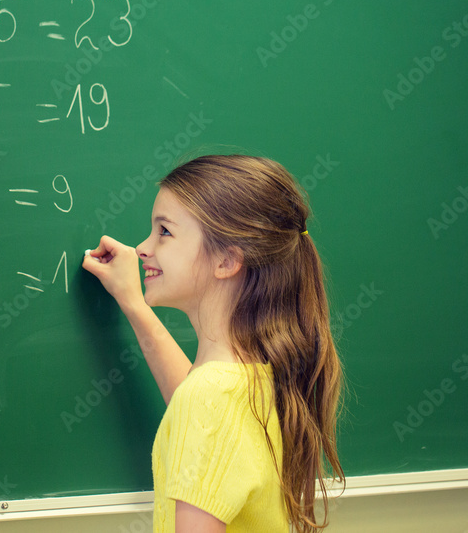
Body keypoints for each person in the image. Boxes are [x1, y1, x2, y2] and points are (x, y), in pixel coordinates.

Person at [82, 155, 343, 533]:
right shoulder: (248, 378)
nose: (142, 247)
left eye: (164, 232)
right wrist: (133, 303)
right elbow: (194, 399)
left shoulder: (209, 398)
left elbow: (198, 403)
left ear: (226, 260)